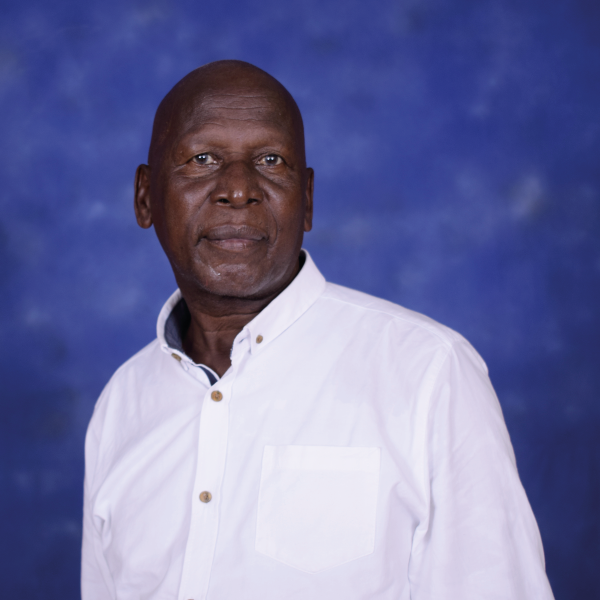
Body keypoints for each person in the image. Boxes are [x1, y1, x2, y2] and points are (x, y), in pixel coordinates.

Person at [81, 60, 554, 600]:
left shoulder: (428, 373)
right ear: (145, 197)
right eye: (202, 159)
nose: (238, 189)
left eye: (270, 160)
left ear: (306, 198)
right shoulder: (122, 404)